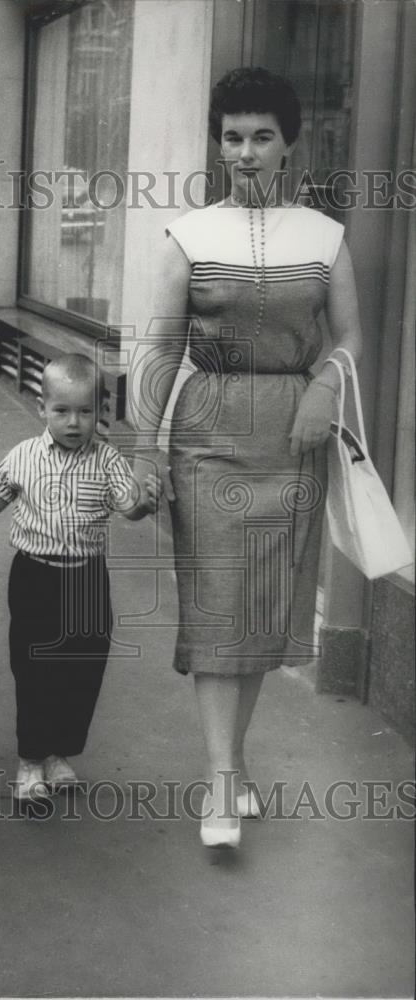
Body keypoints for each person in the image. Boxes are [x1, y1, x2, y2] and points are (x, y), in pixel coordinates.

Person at [129, 67, 363, 849]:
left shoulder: (324, 237)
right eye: (233, 137)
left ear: (291, 143)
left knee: (262, 607)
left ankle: (231, 761)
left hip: (294, 438)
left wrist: (326, 386)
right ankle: (221, 780)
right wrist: (143, 449)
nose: (247, 151)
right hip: (209, 433)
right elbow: (160, 347)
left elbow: (351, 336)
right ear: (218, 143)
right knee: (219, 604)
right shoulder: (191, 235)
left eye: (263, 136)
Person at [0, 354, 161, 800]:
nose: (74, 422)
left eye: (85, 412)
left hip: (87, 580)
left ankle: (58, 754)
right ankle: (31, 760)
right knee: (33, 669)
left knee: (82, 669)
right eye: (62, 411)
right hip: (35, 576)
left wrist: (144, 502)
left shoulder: (108, 460)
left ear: (100, 412)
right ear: (42, 407)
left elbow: (128, 508)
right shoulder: (24, 456)